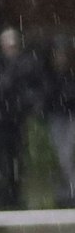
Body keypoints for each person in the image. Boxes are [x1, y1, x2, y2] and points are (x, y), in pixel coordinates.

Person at [0, 28, 42, 210]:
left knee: (16, 160)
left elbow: (30, 89)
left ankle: (15, 195)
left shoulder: (24, 65)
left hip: (17, 120)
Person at [45, 37, 75, 208]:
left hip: (71, 115)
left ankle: (71, 190)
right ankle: (65, 191)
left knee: (67, 154)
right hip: (57, 117)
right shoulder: (51, 75)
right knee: (61, 155)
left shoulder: (70, 75)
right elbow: (49, 96)